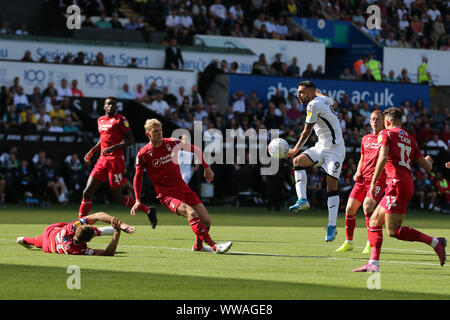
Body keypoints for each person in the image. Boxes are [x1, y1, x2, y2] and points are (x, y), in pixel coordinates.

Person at [352, 107, 446, 272]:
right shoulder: (410, 139)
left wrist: (373, 182)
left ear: (387, 122)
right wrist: (429, 161)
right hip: (406, 184)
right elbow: (427, 168)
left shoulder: (386, 134)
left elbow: (382, 156)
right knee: (376, 222)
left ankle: (435, 242)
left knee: (392, 230)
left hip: (397, 184)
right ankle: (373, 264)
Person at [131, 118, 233, 254]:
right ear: (148, 134)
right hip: (166, 194)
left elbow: (196, 149)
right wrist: (137, 199)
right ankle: (215, 246)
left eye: (160, 130)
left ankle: (198, 247)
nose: (159, 133)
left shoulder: (171, 143)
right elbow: (137, 176)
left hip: (183, 188)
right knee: (191, 213)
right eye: (155, 131)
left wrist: (206, 168)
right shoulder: (143, 154)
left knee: (206, 221)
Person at [80, 97, 157, 228]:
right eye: (109, 104)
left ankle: (148, 210)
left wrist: (114, 147)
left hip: (115, 161)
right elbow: (103, 138)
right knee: (87, 192)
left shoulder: (121, 120)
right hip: (101, 160)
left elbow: (130, 140)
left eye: (114, 104)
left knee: (117, 198)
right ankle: (80, 224)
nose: (111, 106)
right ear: (104, 106)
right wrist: (93, 150)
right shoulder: (100, 120)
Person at [286, 81, 345, 242]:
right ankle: (303, 200)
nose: (298, 95)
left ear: (311, 94)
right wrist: (320, 94)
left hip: (335, 150)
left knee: (331, 186)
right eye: (298, 92)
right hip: (321, 147)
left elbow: (307, 131)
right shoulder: (322, 100)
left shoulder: (313, 105)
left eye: (302, 92)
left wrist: (295, 149)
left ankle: (332, 226)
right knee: (298, 162)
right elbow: (334, 102)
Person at [336, 110, 386, 253]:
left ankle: (371, 242)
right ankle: (349, 242)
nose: (375, 122)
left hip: (377, 181)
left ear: (384, 122)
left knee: (368, 206)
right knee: (350, 209)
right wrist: (358, 171)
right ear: (369, 122)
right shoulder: (366, 139)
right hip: (362, 180)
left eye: (378, 119)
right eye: (372, 119)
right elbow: (362, 158)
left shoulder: (386, 138)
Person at [16, 212, 135, 256]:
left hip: (51, 233)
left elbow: (98, 215)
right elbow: (109, 253)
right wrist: (118, 231)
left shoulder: (72, 227)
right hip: (50, 245)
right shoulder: (79, 250)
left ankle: (24, 239)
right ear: (87, 242)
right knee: (39, 242)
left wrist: (121, 225)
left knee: (39, 241)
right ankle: (25, 239)